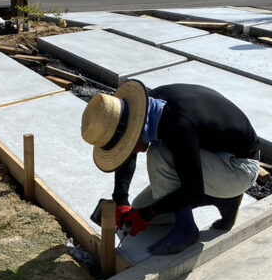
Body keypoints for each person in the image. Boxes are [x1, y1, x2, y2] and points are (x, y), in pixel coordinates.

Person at [80, 80, 261, 256]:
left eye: (126, 145)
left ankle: (186, 229)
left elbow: (193, 190)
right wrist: (121, 199)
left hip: (239, 168)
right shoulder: (143, 108)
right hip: (213, 155)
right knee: (139, 206)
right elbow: (130, 155)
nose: (128, 151)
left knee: (159, 155)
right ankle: (224, 200)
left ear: (134, 132)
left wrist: (146, 214)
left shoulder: (177, 125)